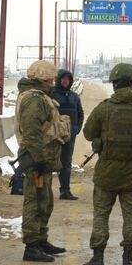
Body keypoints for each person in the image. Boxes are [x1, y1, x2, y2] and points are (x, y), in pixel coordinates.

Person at [80, 63, 132, 265]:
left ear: (114, 84)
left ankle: (98, 257)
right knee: (130, 214)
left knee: (101, 214)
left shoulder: (104, 108)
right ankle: (127, 258)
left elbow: (87, 132)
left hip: (106, 173)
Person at [16, 59, 69, 262]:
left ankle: (41, 239)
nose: (53, 82)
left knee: (45, 201)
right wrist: (37, 159)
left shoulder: (40, 97)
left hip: (43, 159)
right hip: (37, 160)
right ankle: (31, 245)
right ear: (44, 78)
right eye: (51, 78)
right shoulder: (34, 99)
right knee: (35, 202)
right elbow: (31, 132)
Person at [51, 69, 85, 200]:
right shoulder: (52, 95)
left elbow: (80, 113)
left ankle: (65, 191)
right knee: (50, 162)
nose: (66, 81)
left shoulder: (74, 96)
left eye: (68, 79)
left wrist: (77, 128)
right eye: (63, 79)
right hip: (54, 136)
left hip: (70, 135)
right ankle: (41, 190)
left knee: (66, 163)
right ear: (59, 80)